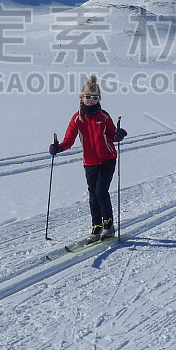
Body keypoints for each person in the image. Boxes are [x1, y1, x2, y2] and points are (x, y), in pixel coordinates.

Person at [49, 75, 127, 243]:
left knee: (100, 191)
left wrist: (118, 135)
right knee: (92, 195)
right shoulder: (77, 118)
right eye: (88, 97)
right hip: (90, 162)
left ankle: (109, 225)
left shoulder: (104, 116)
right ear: (81, 97)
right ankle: (96, 227)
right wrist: (59, 148)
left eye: (95, 97)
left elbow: (112, 135)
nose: (91, 100)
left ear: (99, 99)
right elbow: (69, 140)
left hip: (108, 158)